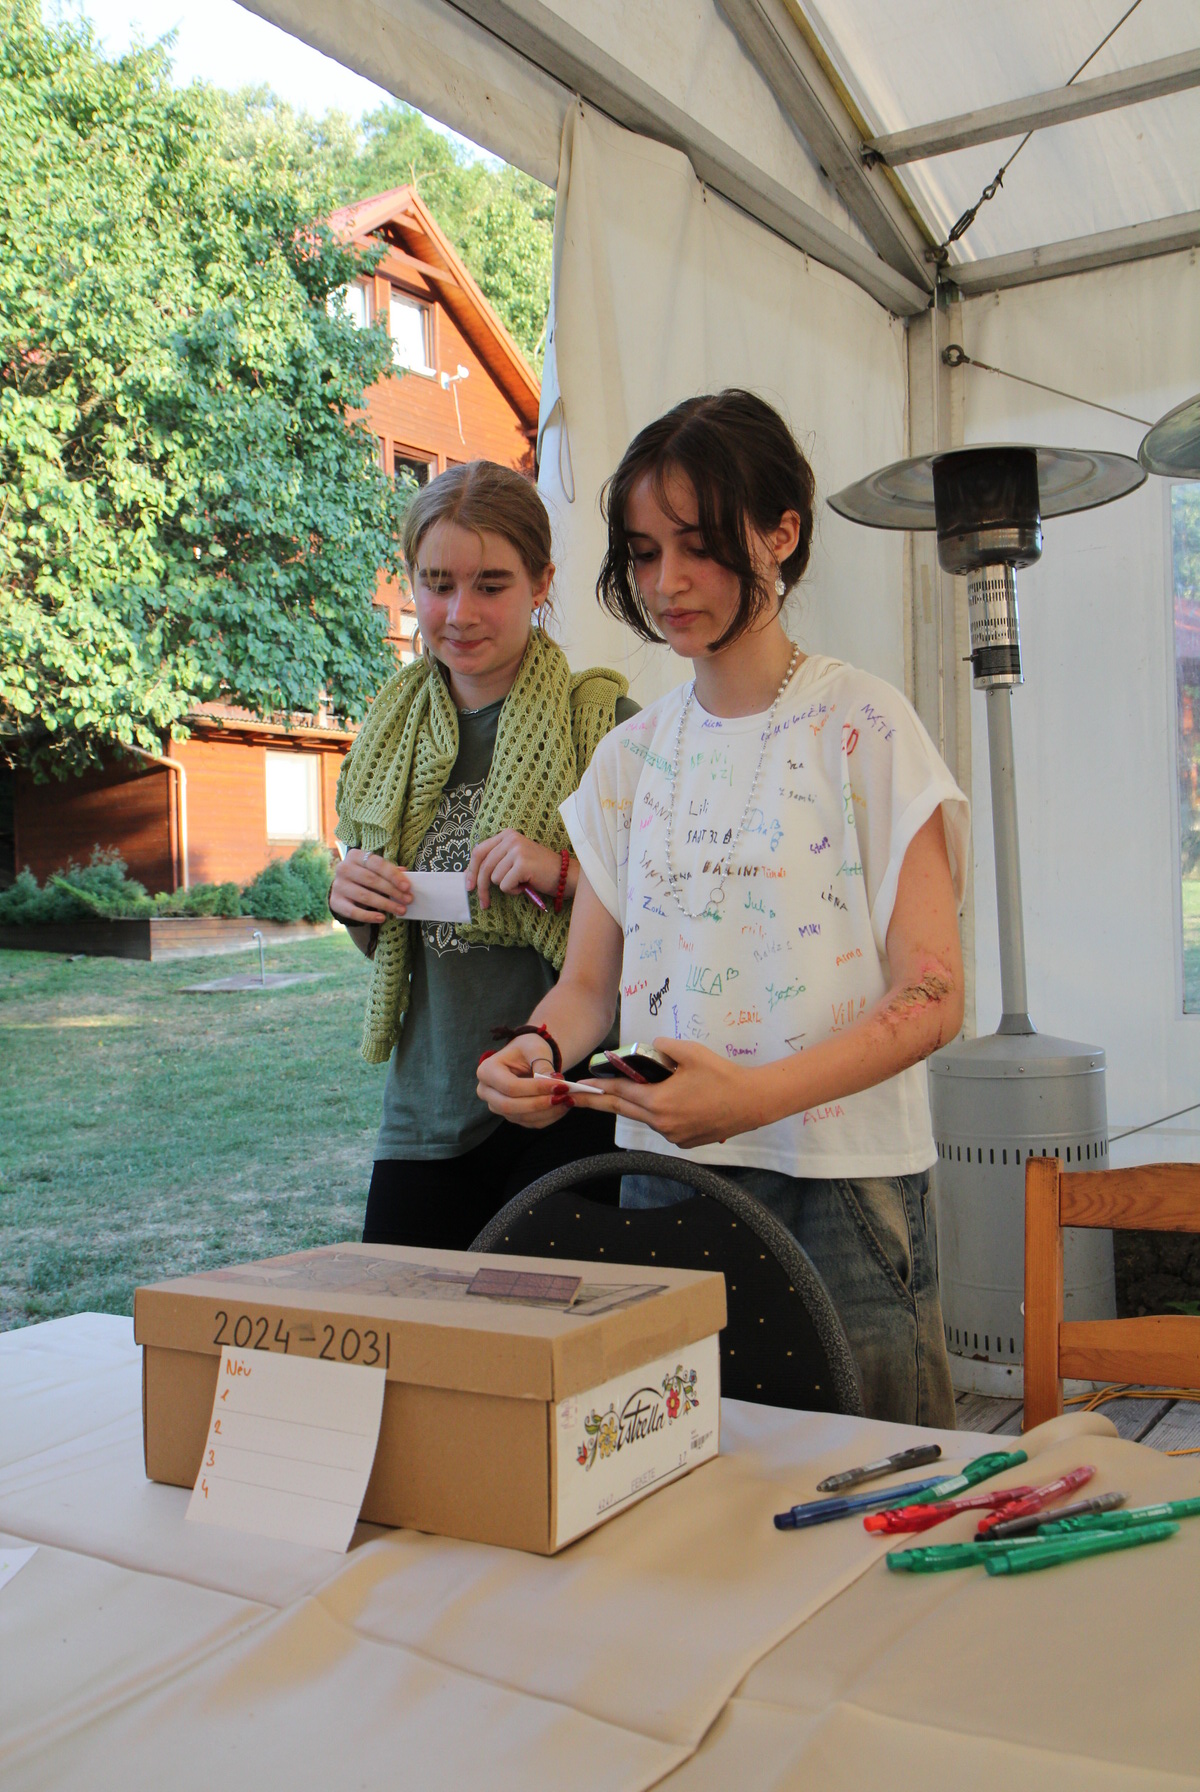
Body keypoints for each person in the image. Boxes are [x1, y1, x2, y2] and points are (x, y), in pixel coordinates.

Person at [477, 392, 969, 1426]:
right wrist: (534, 1050)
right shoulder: (628, 759)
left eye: (698, 547)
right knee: (693, 1475)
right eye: (645, 553)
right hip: (668, 1175)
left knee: (878, 1481)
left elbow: (932, 995)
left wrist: (753, 1099)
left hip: (845, 1184)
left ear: (781, 532)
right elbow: (588, 988)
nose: (667, 582)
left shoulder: (866, 725)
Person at [330, 460, 637, 1250]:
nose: (459, 613)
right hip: (429, 1104)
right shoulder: (386, 736)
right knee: (405, 1320)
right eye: (437, 584)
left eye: (491, 585)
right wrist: (353, 901)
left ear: (542, 583)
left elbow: (678, 914)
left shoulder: (606, 725)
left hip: (572, 1100)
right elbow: (389, 943)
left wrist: (561, 873)